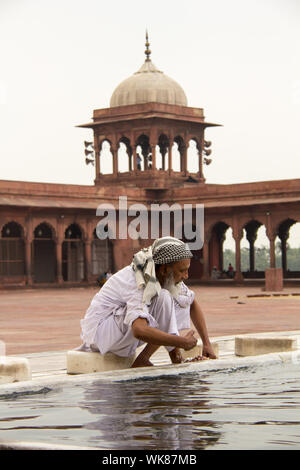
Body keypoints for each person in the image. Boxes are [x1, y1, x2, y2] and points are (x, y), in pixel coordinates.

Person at [79, 236, 216, 368]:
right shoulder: (138, 279)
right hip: (100, 335)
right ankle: (173, 356)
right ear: (164, 270)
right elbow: (139, 330)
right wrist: (181, 342)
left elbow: (191, 304)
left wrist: (207, 344)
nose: (186, 276)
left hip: (119, 332)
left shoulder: (165, 275)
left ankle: (157, 359)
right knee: (163, 298)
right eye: (182, 271)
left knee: (172, 300)